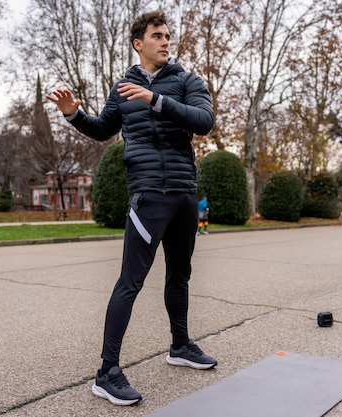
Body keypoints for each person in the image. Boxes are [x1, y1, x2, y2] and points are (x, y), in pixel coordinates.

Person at [47, 10, 217, 406]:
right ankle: (107, 372)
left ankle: (180, 346)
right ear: (138, 43)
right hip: (147, 195)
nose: (165, 41)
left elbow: (204, 121)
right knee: (131, 281)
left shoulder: (188, 80)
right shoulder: (123, 86)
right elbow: (103, 128)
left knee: (180, 274)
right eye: (157, 36)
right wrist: (73, 114)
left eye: (168, 36)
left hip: (184, 193)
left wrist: (157, 100)